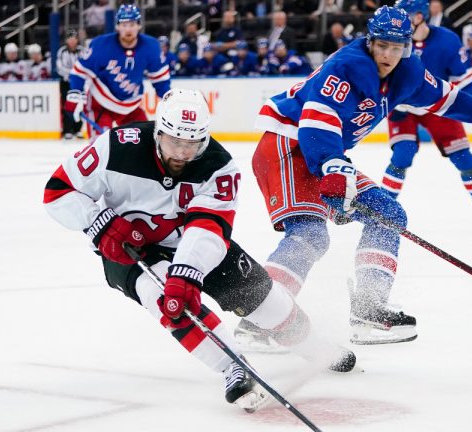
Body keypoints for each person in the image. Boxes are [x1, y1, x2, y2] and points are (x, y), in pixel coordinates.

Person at [237, 6, 472, 347]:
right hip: (288, 146)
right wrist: (333, 165)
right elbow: (316, 121)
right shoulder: (344, 68)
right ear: (370, 41)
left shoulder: (409, 72)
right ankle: (262, 321)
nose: (389, 55)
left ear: (407, 47)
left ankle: (369, 308)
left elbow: (448, 99)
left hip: (325, 155)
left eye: (397, 47)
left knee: (389, 215)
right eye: (382, 45)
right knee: (310, 233)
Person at [43, 89, 356, 408]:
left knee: (264, 300)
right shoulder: (115, 146)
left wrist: (187, 273)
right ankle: (233, 366)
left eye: (191, 144)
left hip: (191, 240)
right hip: (128, 248)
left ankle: (315, 346)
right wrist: (99, 223)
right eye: (174, 142)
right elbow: (58, 191)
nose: (181, 152)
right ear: (158, 133)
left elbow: (207, 228)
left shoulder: (219, 167)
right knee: (166, 300)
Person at [383, 0, 472, 228]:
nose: (398, 21)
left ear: (420, 16)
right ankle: (380, 211)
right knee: (403, 154)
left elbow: (467, 83)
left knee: (464, 158)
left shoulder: (448, 40)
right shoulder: (393, 38)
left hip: (438, 105)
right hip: (404, 107)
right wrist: (393, 100)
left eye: (405, 15)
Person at [66, 4, 170, 142]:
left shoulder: (151, 47)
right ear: (117, 26)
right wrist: (76, 92)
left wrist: (168, 99)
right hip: (100, 104)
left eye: (132, 24)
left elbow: (160, 79)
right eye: (124, 24)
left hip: (130, 106)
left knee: (146, 143)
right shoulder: (101, 45)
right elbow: (79, 71)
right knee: (101, 147)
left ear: (139, 26)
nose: (128, 29)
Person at [57, 29, 84, 139]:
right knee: (67, 106)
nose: (72, 41)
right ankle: (67, 130)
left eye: (74, 38)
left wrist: (78, 75)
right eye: (70, 39)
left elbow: (85, 65)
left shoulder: (82, 50)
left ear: (77, 40)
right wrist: (73, 74)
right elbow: (60, 68)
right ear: (67, 40)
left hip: (80, 82)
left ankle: (77, 129)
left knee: (80, 104)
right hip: (66, 82)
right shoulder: (62, 51)